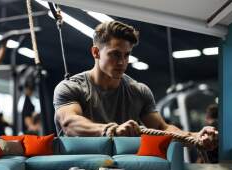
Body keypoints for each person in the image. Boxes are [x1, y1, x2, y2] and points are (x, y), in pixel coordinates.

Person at [53, 21, 217, 149]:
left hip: (121, 167)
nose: (122, 62)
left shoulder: (138, 91)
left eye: (126, 55)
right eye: (115, 54)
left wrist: (195, 137)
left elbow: (162, 127)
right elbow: (70, 123)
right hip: (79, 167)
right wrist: (112, 130)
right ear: (96, 52)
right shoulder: (70, 88)